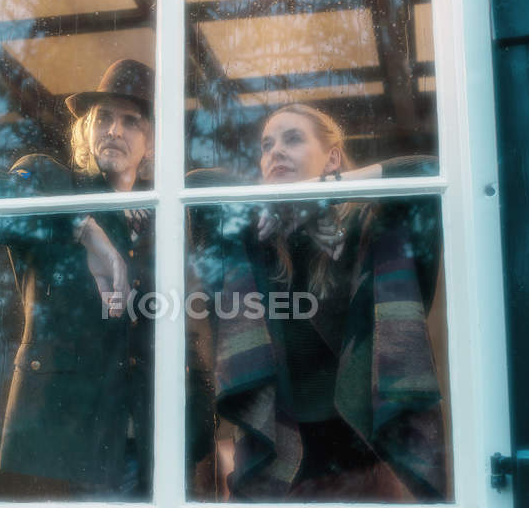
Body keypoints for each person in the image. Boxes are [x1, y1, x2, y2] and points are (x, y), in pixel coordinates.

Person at [188, 104, 446, 502]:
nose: (275, 152)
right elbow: (199, 184)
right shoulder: (253, 244)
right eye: (267, 145)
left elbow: (429, 171)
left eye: (293, 139)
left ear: (333, 157)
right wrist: (265, 202)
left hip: (359, 461)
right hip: (275, 458)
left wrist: (330, 194)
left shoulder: (365, 231)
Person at [0, 59, 155, 499]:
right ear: (85, 129)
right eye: (103, 117)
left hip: (148, 437)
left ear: (152, 144)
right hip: (64, 436)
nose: (114, 131)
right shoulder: (50, 179)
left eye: (131, 122)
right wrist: (82, 227)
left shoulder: (159, 213)